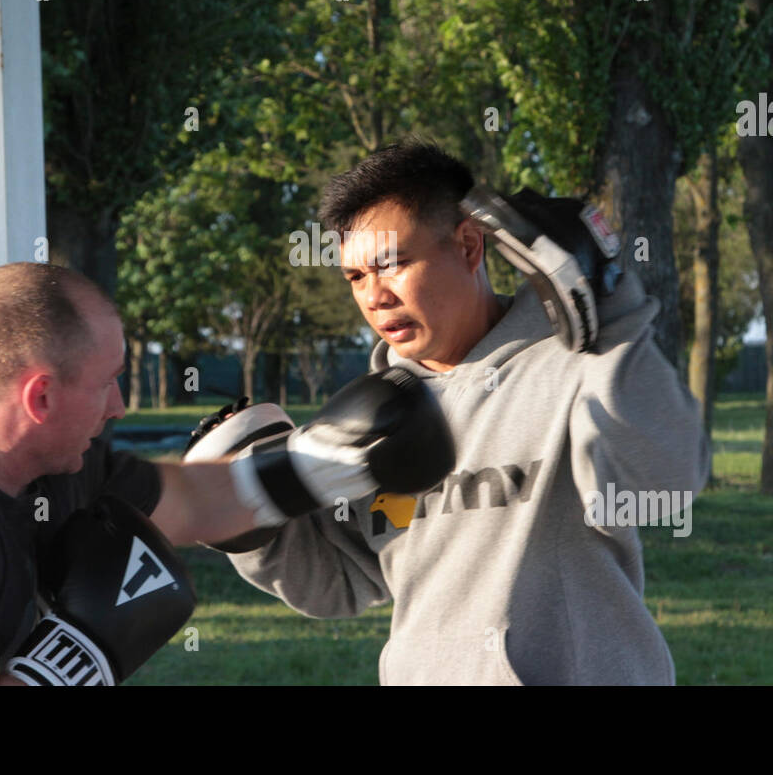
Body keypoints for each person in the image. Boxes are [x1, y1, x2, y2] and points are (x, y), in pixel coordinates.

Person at [0, 261, 453, 685]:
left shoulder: (56, 467)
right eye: (108, 383)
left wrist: (326, 466)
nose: (120, 405)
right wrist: (78, 653)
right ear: (41, 397)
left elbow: (197, 503)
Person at [219, 142, 711, 685]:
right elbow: (343, 579)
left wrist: (608, 307)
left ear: (469, 247)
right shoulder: (374, 414)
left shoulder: (576, 365)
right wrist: (249, 524)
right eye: (355, 277)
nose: (374, 296)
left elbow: (665, 484)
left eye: (391, 264)